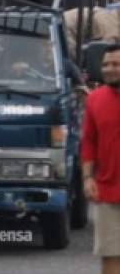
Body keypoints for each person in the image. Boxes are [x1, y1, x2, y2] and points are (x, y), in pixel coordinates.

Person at [81, 45, 120, 274]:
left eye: (116, 64)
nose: (109, 69)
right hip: (107, 192)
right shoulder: (95, 100)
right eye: (105, 64)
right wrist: (87, 177)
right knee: (111, 257)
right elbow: (89, 141)